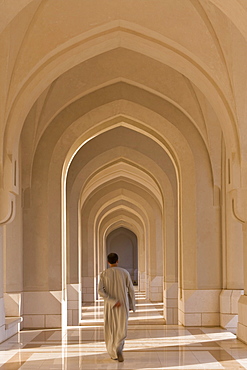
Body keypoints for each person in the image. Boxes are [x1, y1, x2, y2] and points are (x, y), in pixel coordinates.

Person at [98, 252, 136, 362]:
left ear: (108, 262)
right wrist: (131, 305)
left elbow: (100, 291)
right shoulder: (124, 273)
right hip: (122, 303)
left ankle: (112, 353)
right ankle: (119, 348)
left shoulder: (104, 274)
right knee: (121, 327)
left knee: (110, 328)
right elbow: (131, 290)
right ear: (117, 261)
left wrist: (111, 301)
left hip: (110, 306)